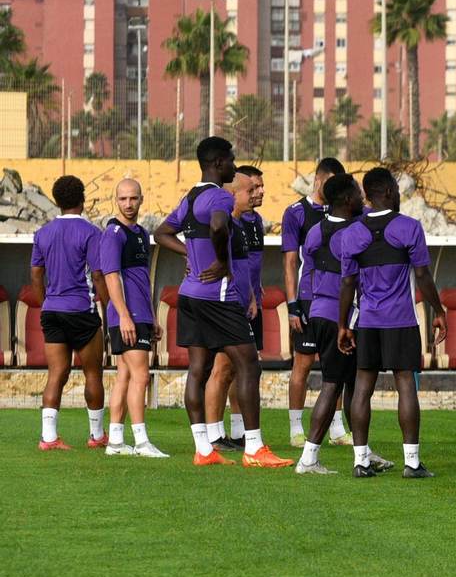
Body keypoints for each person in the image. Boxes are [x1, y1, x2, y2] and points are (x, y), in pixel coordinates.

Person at [154, 137, 291, 467]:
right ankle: (255, 449)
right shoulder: (217, 195)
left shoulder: (191, 197)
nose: (234, 164)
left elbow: (161, 234)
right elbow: (218, 224)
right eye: (231, 160)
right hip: (217, 296)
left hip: (189, 294)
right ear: (218, 163)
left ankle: (204, 451)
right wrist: (223, 262)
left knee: (198, 370)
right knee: (249, 364)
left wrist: (192, 254)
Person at [334, 168, 448, 478]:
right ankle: (412, 464)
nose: (399, 195)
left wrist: (343, 325)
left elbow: (347, 284)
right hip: (401, 320)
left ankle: (360, 462)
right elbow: (422, 275)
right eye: (396, 190)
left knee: (362, 388)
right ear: (388, 193)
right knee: (405, 386)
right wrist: (439, 311)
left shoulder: (351, 234)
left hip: (368, 322)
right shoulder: (409, 227)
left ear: (367, 196)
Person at [292, 174, 377, 474]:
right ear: (347, 200)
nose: (363, 197)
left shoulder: (316, 231)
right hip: (342, 317)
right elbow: (354, 278)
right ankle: (308, 459)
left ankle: (363, 450)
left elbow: (310, 267)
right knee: (332, 385)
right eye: (357, 192)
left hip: (319, 311)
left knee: (354, 381)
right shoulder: (357, 232)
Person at [32, 175, 107, 451]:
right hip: (81, 311)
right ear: (82, 199)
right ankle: (97, 436)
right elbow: (98, 277)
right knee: (92, 374)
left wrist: (46, 305)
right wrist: (110, 309)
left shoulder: (42, 233)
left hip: (52, 310)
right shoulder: (90, 233)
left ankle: (48, 438)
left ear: (57, 201)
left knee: (56, 374)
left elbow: (36, 276)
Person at [283, 157, 350, 447]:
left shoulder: (344, 212)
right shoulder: (296, 213)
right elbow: (289, 262)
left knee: (336, 364)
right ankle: (296, 429)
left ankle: (336, 429)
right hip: (308, 300)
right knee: (303, 364)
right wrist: (293, 304)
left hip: (337, 301)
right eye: (331, 183)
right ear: (319, 180)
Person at [101, 179, 167, 458]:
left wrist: (152, 317)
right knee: (141, 375)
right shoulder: (113, 233)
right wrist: (125, 316)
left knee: (125, 376)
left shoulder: (141, 232)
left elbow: (142, 280)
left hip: (141, 314)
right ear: (115, 200)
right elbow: (110, 276)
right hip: (127, 316)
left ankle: (115, 442)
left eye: (133, 198)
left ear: (141, 199)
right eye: (123, 199)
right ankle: (141, 442)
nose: (128, 204)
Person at [204, 164, 264, 451]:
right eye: (250, 190)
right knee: (221, 370)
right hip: (224, 306)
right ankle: (214, 436)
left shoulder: (242, 224)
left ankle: (230, 434)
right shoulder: (222, 223)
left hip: (242, 304)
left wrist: (251, 296)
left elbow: (243, 266)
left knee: (234, 370)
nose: (255, 194)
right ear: (232, 193)